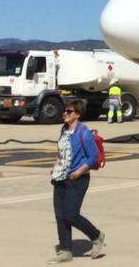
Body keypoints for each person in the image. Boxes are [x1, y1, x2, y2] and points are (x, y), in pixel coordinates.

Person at [48, 99, 105, 265]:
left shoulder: (84, 133)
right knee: (60, 216)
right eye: (65, 110)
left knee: (71, 215)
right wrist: (55, 165)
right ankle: (66, 250)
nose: (65, 113)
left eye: (69, 111)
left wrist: (79, 171)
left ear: (77, 114)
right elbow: (62, 151)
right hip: (60, 176)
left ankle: (96, 236)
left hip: (77, 178)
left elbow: (92, 156)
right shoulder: (64, 130)